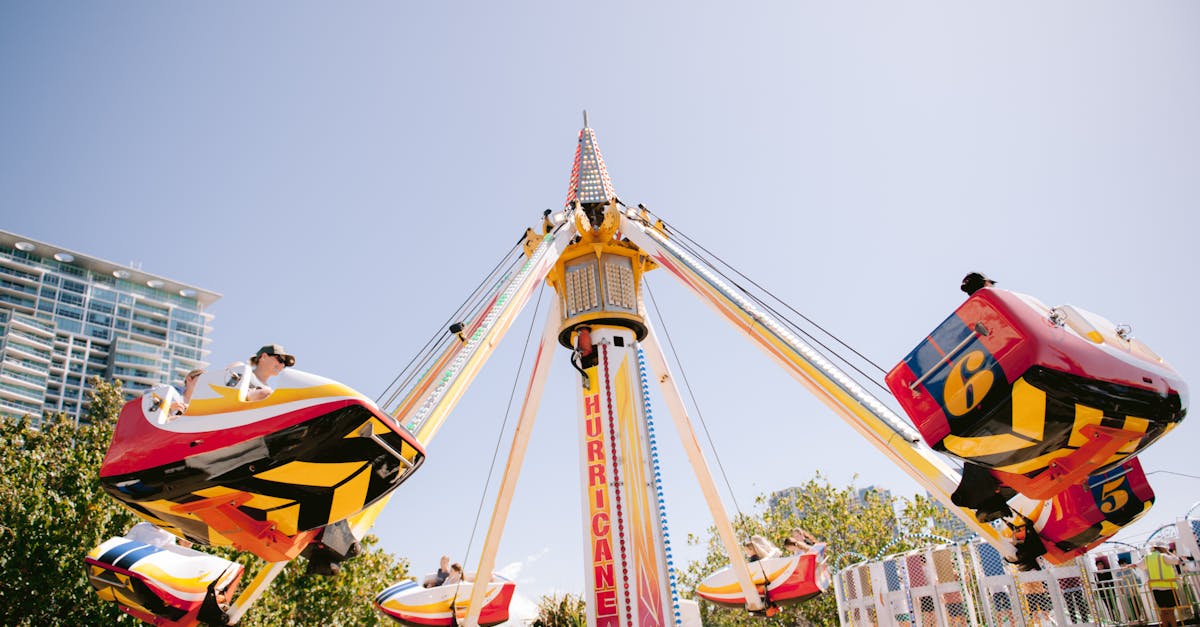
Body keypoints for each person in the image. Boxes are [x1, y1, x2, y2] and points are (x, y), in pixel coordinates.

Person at [227, 344, 295, 402]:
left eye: (285, 364)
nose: (282, 365)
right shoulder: (240, 368)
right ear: (264, 356)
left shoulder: (270, 392)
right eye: (280, 360)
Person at [1144, 539, 1183, 627]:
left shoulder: (1148, 557)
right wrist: (1169, 552)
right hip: (1168, 586)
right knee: (1170, 611)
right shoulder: (1163, 556)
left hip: (1156, 587)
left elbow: (1140, 565)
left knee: (1163, 611)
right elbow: (1177, 561)